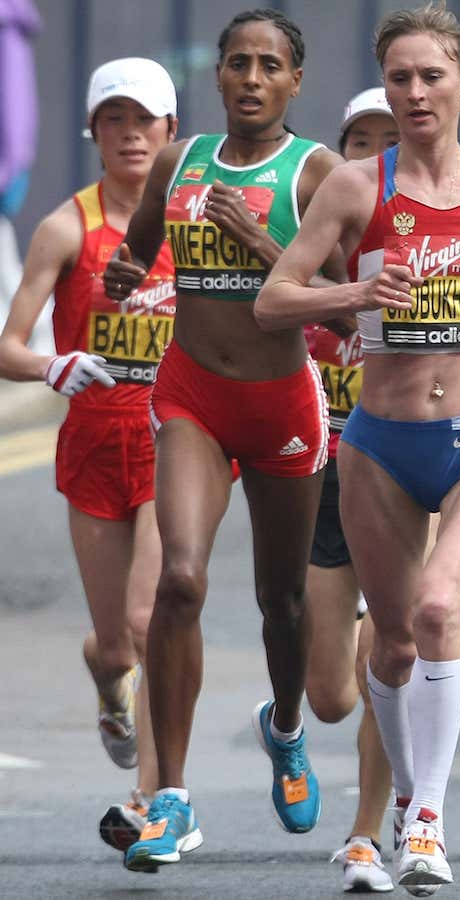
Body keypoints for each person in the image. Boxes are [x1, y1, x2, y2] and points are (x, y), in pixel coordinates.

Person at [256, 5, 460, 893]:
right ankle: (405, 801)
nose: (414, 92)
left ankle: (426, 819)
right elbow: (273, 300)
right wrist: (355, 292)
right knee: (392, 647)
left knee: (441, 606)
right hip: (381, 445)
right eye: (399, 77)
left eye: (431, 75)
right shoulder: (357, 189)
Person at [104, 9, 344, 871]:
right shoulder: (181, 160)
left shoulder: (317, 173)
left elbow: (349, 292)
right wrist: (125, 274)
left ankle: (284, 729)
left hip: (281, 402)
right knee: (179, 578)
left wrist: (268, 244)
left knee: (281, 604)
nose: (250, 77)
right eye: (237, 62)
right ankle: (170, 798)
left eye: (268, 65)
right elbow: (136, 254)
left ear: (294, 81)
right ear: (218, 74)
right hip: (192, 393)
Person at [0, 56, 176, 853]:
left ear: (171, 133)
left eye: (145, 120)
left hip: (178, 443)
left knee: (148, 618)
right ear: (94, 132)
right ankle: (107, 676)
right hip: (93, 445)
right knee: (115, 642)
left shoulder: (195, 224)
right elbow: (8, 345)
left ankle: (150, 801)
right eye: (115, 120)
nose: (130, 134)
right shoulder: (68, 225)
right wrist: (51, 364)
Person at [307, 86, 399, 895]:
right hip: (325, 477)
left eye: (389, 142)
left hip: (403, 471)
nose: (372, 158)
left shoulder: (423, 245)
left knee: (386, 661)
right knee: (330, 695)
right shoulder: (306, 245)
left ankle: (371, 829)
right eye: (357, 143)